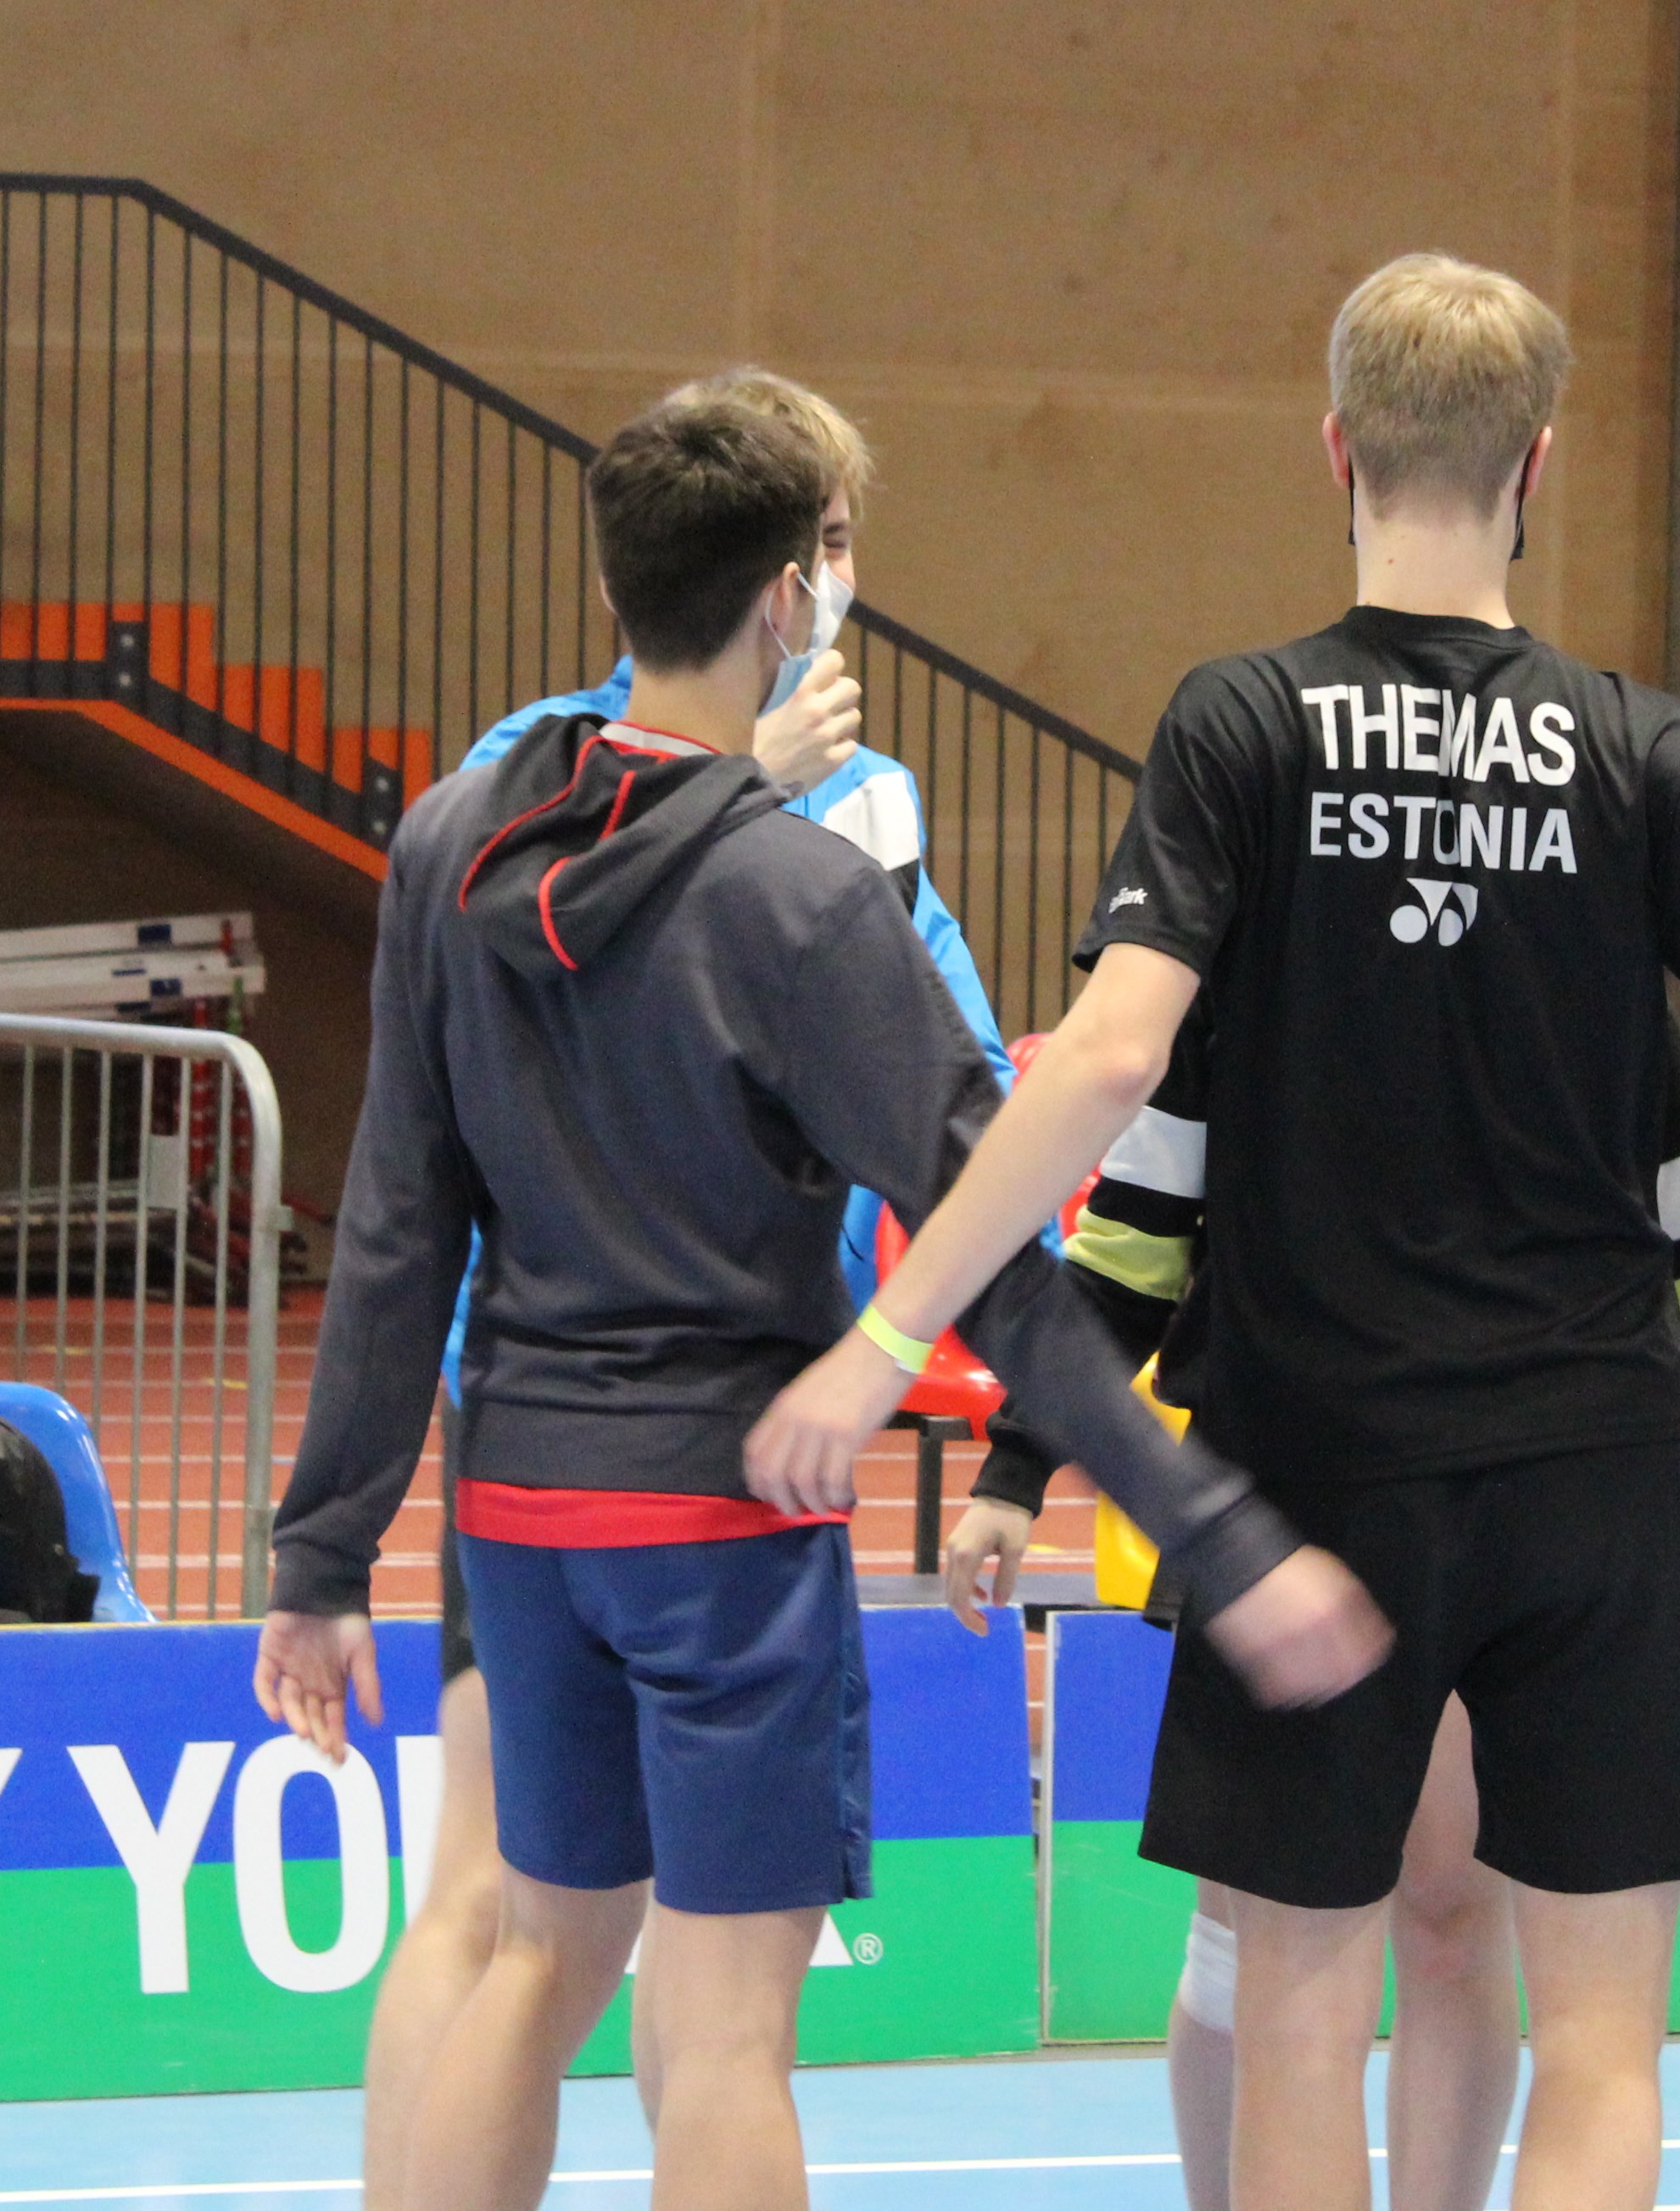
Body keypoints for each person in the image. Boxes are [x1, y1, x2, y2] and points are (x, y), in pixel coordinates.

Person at [745, 253, 1680, 2211]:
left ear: (1334, 449)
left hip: (1313, 1462)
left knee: (1297, 2011)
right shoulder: (1647, 755)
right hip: (1590, 1477)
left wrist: (896, 1331)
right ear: (1538, 464)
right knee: (1597, 2045)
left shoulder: (1238, 725)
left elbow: (1115, 1068)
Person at [253, 389, 1385, 2211]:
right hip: (721, 1517)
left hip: (517, 1506)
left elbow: (393, 1225)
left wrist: (318, 1559)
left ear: (614, 582)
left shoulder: (450, 842)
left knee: (536, 1956)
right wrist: (1221, 1533)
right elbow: (991, 1257)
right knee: (719, 2040)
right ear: (792, 596)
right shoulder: (805, 896)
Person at [359, 366, 1020, 2211]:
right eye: (827, 543)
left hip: (628, 1425)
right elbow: (958, 1130)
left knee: (600, 1933)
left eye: (848, 537)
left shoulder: (813, 798)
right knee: (592, 1935)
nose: (837, 578)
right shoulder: (645, 772)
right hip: (629, 1427)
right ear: (776, 577)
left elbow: (956, 1083)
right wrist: (751, 797)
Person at [940, 1011, 1680, 2211]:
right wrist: (1016, 1463)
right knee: (1255, 1954)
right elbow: (1134, 1231)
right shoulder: (1247, 963)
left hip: (1531, 1489)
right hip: (1303, 1479)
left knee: (1452, 1911)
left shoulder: (1597, 967)